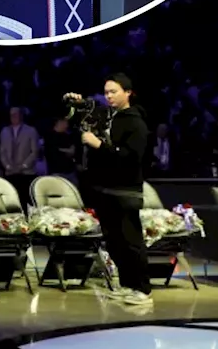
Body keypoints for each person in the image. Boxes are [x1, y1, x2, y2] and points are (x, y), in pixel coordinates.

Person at [67, 74, 152, 307]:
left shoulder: (135, 122)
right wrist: (78, 102)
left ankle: (142, 290)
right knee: (114, 242)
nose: (109, 96)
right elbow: (88, 113)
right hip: (106, 190)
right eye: (106, 92)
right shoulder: (109, 117)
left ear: (128, 93)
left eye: (114, 91)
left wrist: (98, 145)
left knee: (131, 242)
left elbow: (130, 157)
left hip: (126, 192)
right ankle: (127, 285)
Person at [0, 107, 39, 211]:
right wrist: (7, 165)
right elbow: (2, 151)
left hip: (26, 173)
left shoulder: (31, 130)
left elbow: (34, 152)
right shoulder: (5, 131)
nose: (14, 117)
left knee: (26, 200)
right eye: (11, 114)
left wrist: (23, 166)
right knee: (11, 200)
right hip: (10, 172)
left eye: (16, 114)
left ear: (21, 115)